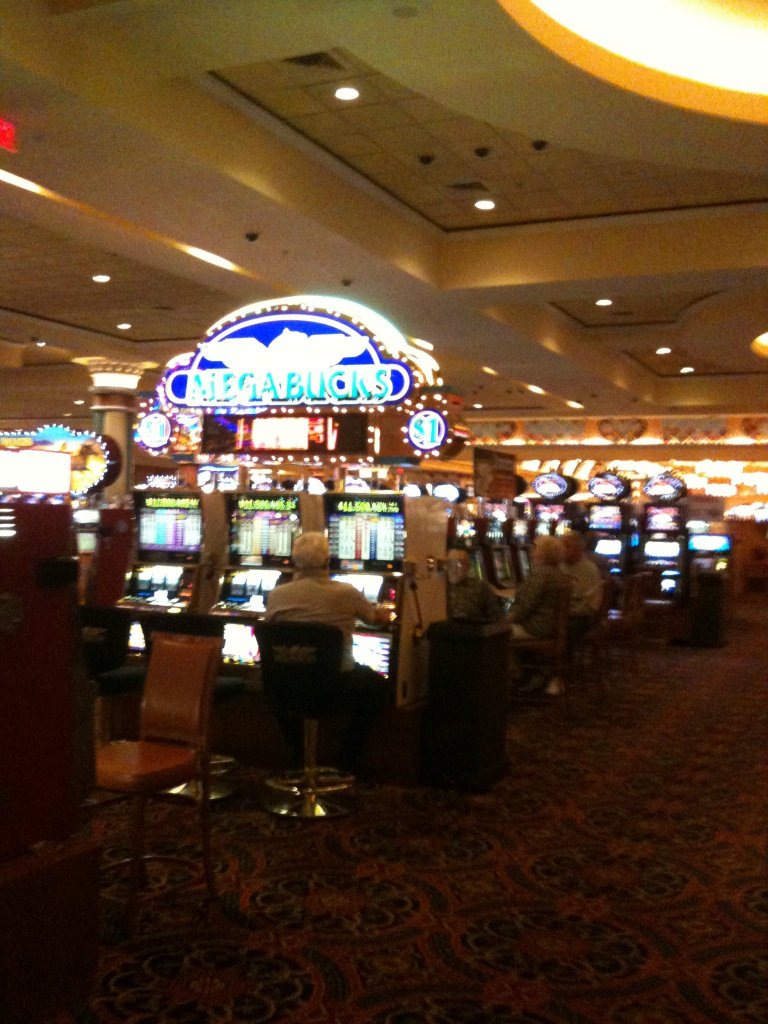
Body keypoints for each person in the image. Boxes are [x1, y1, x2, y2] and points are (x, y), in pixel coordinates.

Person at [264, 531, 391, 776]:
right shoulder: (346, 592)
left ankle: (298, 754)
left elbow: (271, 628)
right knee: (377, 687)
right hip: (334, 687)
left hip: (284, 686)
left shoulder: (277, 594)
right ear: (327, 560)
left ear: (294, 561)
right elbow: (375, 619)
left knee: (292, 686)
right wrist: (386, 613)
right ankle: (348, 759)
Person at [509, 534, 567, 695]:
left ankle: (516, 677)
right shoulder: (557, 573)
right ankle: (533, 674)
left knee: (496, 634)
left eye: (535, 549)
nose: (532, 553)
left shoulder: (541, 575)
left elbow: (523, 608)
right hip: (549, 627)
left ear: (544, 554)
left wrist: (501, 621)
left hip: (536, 628)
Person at [561, 532, 604, 650]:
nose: (562, 550)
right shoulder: (559, 566)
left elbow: (589, 605)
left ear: (579, 549)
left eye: (567, 546)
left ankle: (563, 658)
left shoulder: (589, 569)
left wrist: (567, 612)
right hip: (566, 612)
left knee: (565, 628)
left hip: (583, 616)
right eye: (561, 546)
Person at [445, 548, 504, 623]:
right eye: (450, 564)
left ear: (468, 567)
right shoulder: (439, 586)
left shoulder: (480, 586)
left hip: (473, 628)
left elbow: (497, 619)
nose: (453, 569)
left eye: (459, 564)